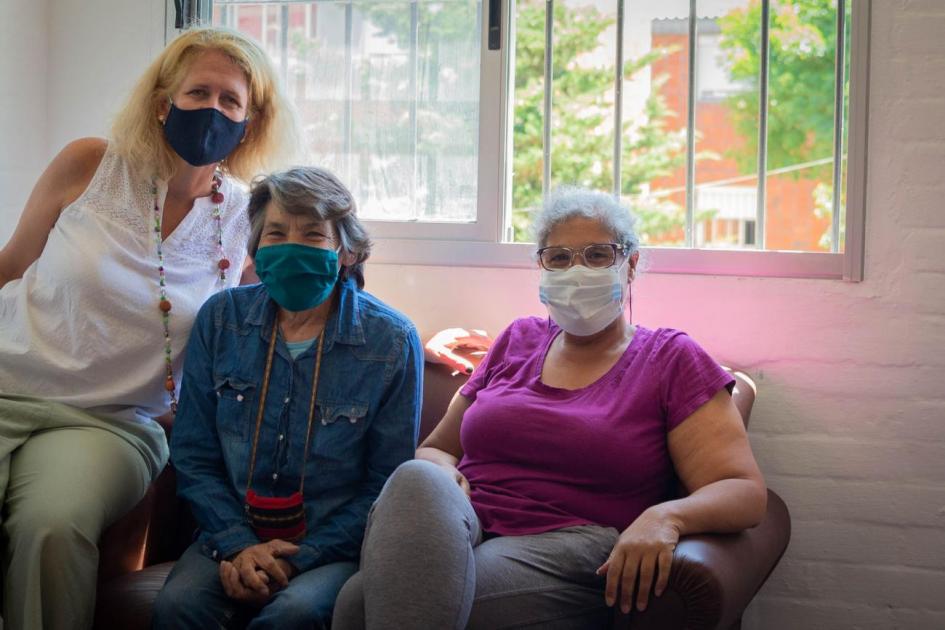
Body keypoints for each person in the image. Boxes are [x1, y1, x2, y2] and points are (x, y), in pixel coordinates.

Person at [333, 187, 768, 629]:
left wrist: (666, 516)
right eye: (558, 258)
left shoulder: (670, 357)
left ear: (630, 264)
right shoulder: (517, 339)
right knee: (415, 477)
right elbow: (436, 449)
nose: (576, 270)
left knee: (361, 604)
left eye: (598, 255)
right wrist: (443, 473)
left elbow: (744, 492)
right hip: (467, 520)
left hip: (569, 541)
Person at [0, 27, 296, 630]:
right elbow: (10, 265)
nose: (212, 110)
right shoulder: (88, 164)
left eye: (230, 101)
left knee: (51, 525)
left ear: (250, 120)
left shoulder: (248, 217)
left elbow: (241, 340)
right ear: (164, 102)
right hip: (6, 385)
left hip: (113, 423)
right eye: (197, 93)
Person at [151, 166, 423, 629]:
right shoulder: (221, 320)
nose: (291, 246)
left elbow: (385, 484)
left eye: (313, 235)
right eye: (276, 233)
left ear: (346, 252)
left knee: (293, 616)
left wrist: (298, 558)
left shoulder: (392, 341)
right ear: (255, 248)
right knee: (178, 607)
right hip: (229, 533)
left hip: (331, 547)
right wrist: (239, 544)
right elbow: (194, 453)